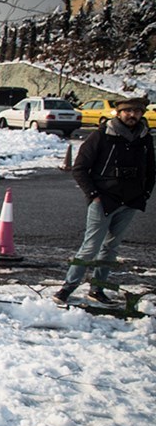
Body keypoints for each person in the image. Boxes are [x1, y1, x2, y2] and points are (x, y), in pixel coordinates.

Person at [52, 96, 155, 305]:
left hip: (131, 201)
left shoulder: (144, 138)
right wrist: (93, 194)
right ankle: (67, 288)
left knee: (111, 248)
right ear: (119, 112)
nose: (132, 115)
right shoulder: (102, 136)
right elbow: (80, 168)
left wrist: (144, 193)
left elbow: (151, 169)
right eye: (128, 111)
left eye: (137, 111)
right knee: (90, 247)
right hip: (103, 199)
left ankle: (98, 289)